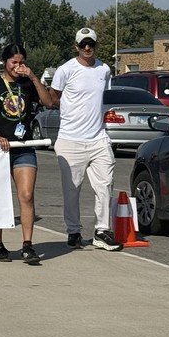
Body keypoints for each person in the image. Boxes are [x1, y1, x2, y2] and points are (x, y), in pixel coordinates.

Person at [0, 44, 55, 263]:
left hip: (22, 146)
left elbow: (48, 102)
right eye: (13, 62)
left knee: (26, 195)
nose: (18, 67)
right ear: (5, 62)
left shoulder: (27, 83)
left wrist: (34, 78)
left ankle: (27, 245)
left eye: (21, 62)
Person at [49, 28, 123, 251]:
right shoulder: (66, 70)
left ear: (96, 46)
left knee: (105, 186)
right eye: (83, 45)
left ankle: (102, 231)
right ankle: (73, 231)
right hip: (70, 140)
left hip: (98, 138)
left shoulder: (104, 69)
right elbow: (54, 96)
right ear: (76, 47)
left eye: (91, 44)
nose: (87, 48)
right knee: (72, 190)